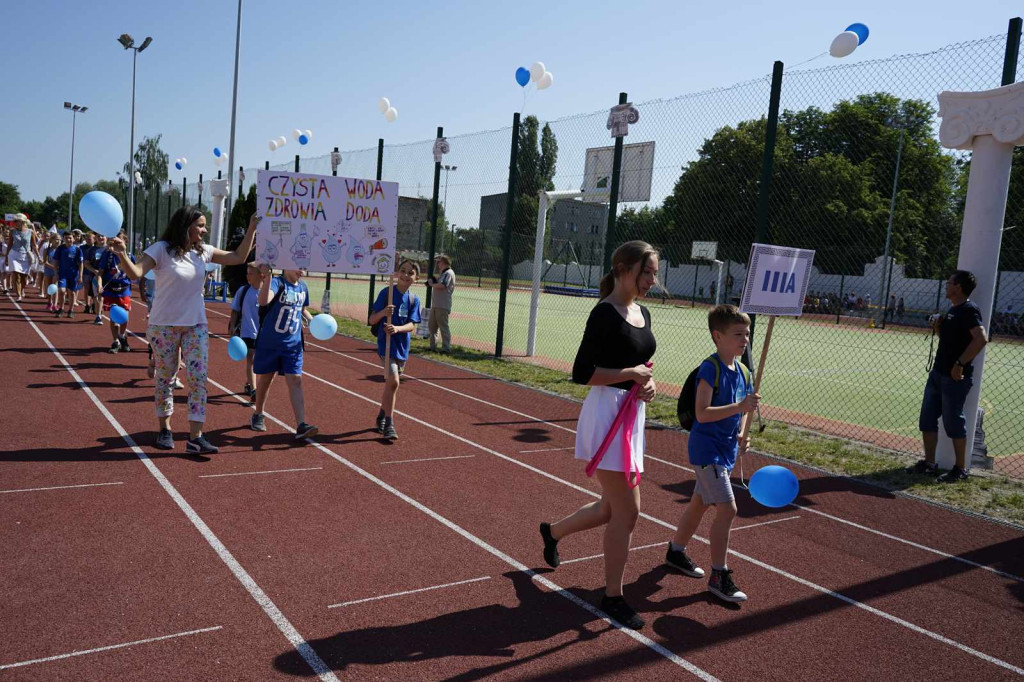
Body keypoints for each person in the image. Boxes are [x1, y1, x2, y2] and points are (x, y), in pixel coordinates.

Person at [538, 241, 659, 630]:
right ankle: (613, 596)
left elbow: (638, 366)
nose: (652, 280)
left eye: (654, 273)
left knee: (611, 509)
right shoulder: (604, 313)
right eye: (647, 272)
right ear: (624, 269)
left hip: (631, 416)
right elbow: (582, 373)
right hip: (606, 416)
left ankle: (552, 532)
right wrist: (630, 376)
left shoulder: (643, 312)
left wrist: (647, 384)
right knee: (629, 511)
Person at [110, 206, 259, 455]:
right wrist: (123, 254)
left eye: (204, 225)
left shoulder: (204, 252)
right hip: (163, 326)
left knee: (198, 379)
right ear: (185, 225)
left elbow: (238, 257)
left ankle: (195, 437)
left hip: (196, 325)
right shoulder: (161, 249)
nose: (203, 230)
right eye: (200, 225)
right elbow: (136, 272)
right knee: (165, 378)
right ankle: (165, 429)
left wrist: (252, 228)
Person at [666, 304, 758, 603]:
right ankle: (719, 574)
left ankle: (675, 551)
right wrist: (739, 407)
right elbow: (702, 414)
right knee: (728, 509)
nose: (744, 339)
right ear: (718, 336)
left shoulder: (743, 370)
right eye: (737, 334)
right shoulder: (711, 368)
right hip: (707, 451)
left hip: (726, 450)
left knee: (699, 504)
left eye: (747, 334)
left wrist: (743, 431)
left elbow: (745, 412)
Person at [907, 270, 988, 483]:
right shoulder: (953, 310)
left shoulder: (969, 310)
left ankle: (960, 469)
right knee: (927, 419)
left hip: (954, 378)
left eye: (949, 282)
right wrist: (937, 328)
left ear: (958, 287)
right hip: (938, 373)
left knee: (953, 423)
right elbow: (949, 340)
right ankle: (929, 464)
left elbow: (981, 339)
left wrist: (960, 364)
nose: (946, 285)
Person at [249, 264, 317, 439]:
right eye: (298, 266)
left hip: (293, 345)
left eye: (303, 266)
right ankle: (258, 413)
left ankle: (301, 424)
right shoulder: (277, 283)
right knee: (266, 379)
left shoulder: (303, 287)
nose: (302, 270)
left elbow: (302, 309)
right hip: (271, 342)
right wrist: (268, 278)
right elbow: (264, 301)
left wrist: (313, 321)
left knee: (296, 380)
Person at [369, 259, 422, 441]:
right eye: (403, 271)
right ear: (397, 273)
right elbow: (372, 320)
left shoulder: (414, 299)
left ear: (416, 278)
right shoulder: (387, 293)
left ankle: (382, 415)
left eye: (410, 273)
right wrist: (384, 312)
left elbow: (412, 325)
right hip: (386, 345)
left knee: (390, 384)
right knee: (394, 381)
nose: (406, 275)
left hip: (401, 347)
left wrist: (398, 329)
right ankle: (390, 424)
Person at [229, 263, 265, 401]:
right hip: (247, 331)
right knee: (251, 358)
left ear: (260, 275)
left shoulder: (268, 293)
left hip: (263, 332)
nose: (247, 276)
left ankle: (249, 383)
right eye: (247, 273)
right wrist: (232, 326)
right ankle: (254, 390)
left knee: (259, 361)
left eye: (251, 273)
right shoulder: (243, 291)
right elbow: (235, 310)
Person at [96, 231, 135, 353]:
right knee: (114, 318)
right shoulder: (107, 255)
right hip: (111, 290)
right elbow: (100, 273)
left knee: (124, 318)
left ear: (125, 242)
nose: (116, 243)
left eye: (119, 241)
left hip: (124, 291)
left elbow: (134, 275)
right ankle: (115, 341)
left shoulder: (129, 256)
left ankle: (122, 336)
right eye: (114, 240)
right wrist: (99, 285)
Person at [426, 254, 456, 353]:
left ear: (443, 262)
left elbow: (443, 285)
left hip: (442, 305)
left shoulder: (448, 273)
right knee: (432, 326)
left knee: (443, 327)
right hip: (436, 304)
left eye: (439, 261)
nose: (438, 263)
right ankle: (432, 347)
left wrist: (431, 284)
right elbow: (439, 283)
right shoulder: (443, 273)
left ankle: (446, 348)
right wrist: (434, 281)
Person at [50, 231, 84, 318]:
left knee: (72, 293)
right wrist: (56, 273)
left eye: (70, 238)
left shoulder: (77, 250)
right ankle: (61, 309)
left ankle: (71, 310)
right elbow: (56, 261)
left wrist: (80, 276)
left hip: (73, 275)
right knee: (61, 291)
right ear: (64, 239)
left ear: (74, 238)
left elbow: (81, 263)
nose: (68, 240)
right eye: (66, 238)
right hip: (62, 274)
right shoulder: (60, 248)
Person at [5, 214, 37, 302]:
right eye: (14, 221)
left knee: (24, 278)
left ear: (23, 222)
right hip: (14, 255)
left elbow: (34, 245)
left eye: (16, 221)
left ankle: (22, 289)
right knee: (16, 275)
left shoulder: (31, 232)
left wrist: (38, 257)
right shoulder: (12, 231)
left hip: (26, 256)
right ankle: (18, 295)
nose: (14, 223)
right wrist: (7, 257)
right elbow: (10, 244)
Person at [40, 232, 60, 310]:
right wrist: (54, 268)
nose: (58, 241)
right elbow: (45, 262)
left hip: (56, 272)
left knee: (55, 287)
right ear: (51, 240)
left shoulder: (61, 250)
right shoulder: (47, 250)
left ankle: (55, 304)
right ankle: (49, 302)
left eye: (59, 240)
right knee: (49, 288)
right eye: (56, 239)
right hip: (48, 270)